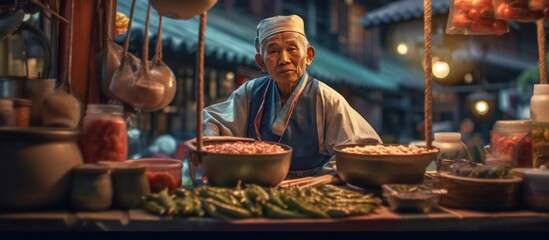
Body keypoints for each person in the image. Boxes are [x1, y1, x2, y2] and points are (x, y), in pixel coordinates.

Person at [202, 15, 381, 178]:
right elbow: (214, 121)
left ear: (309, 56)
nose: (284, 59)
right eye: (273, 51)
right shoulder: (250, 92)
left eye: (292, 49)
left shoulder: (325, 98)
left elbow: (363, 149)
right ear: (261, 62)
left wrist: (327, 176)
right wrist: (208, 138)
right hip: (257, 184)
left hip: (310, 190)